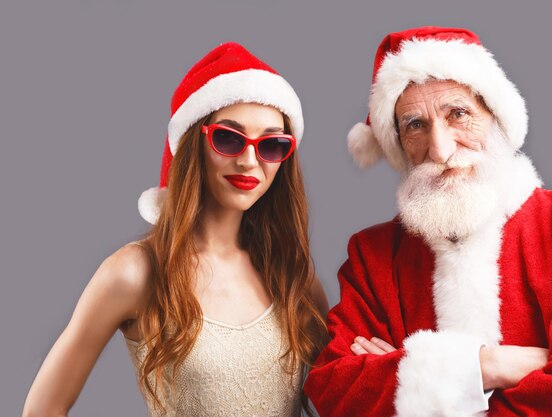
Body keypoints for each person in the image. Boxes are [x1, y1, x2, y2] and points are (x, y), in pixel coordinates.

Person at [304, 26, 552, 417]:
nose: (440, 149)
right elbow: (335, 390)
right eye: (415, 125)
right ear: (399, 144)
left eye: (458, 114)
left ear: (495, 116)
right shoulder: (373, 256)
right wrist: (488, 366)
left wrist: (414, 378)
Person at [23, 42, 329, 417]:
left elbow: (340, 399)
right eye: (229, 138)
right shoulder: (137, 271)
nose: (249, 160)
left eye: (271, 145)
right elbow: (42, 408)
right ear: (192, 143)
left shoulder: (293, 274)